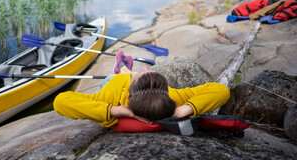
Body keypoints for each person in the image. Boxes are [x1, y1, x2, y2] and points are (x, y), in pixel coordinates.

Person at [54, 51, 230, 127]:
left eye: (144, 72)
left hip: (114, 82)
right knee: (133, 74)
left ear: (129, 93)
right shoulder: (174, 96)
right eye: (148, 71)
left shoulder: (108, 99)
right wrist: (183, 110)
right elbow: (221, 90)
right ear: (166, 90)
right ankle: (126, 69)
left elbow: (60, 101)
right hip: (143, 89)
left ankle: (123, 70)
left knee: (119, 75)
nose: (145, 68)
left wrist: (115, 110)